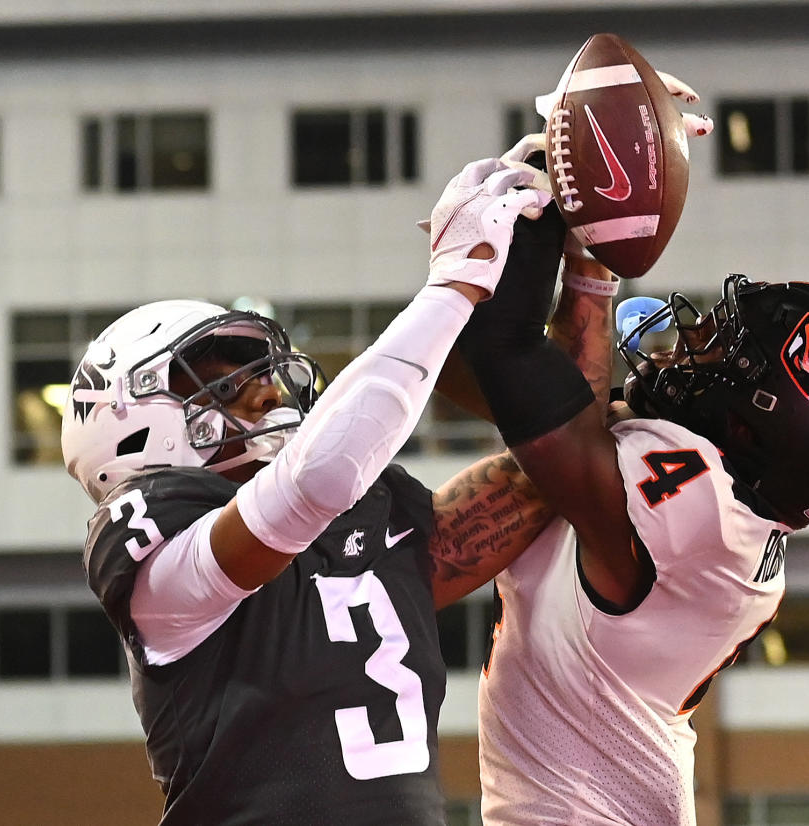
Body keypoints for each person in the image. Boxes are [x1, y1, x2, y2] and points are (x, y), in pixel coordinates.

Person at [60, 157, 568, 825]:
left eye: (259, 371)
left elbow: (556, 469)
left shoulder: (369, 520)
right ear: (126, 421)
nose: (266, 390)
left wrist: (584, 269)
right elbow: (319, 478)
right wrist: (454, 283)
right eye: (215, 377)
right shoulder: (158, 542)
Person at [457, 217, 809, 824]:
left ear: (755, 424)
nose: (688, 344)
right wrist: (583, 249)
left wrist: (576, 231)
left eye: (724, 351)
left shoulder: (701, 514)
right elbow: (496, 386)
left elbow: (506, 361)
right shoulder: (726, 518)